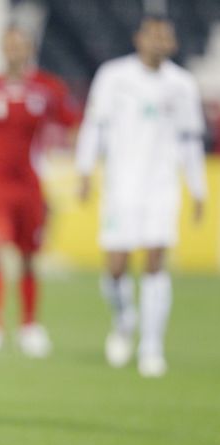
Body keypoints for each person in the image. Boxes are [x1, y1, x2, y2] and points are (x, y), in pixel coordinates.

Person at [75, 15, 206, 377]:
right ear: (139, 39)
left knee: (155, 262)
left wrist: (198, 188)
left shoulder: (182, 85)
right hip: (120, 186)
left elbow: (190, 141)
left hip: (161, 187)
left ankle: (151, 346)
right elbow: (94, 126)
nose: (159, 42)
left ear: (173, 43)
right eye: (153, 36)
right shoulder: (113, 76)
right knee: (116, 267)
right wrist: (85, 170)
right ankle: (123, 320)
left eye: (165, 37)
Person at [0, 26, 78, 358]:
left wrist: (69, 166)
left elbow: (71, 123)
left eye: (21, 45)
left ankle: (29, 326)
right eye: (10, 45)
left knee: (29, 256)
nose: (15, 51)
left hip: (30, 185)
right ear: (3, 49)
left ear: (29, 49)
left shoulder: (48, 88)